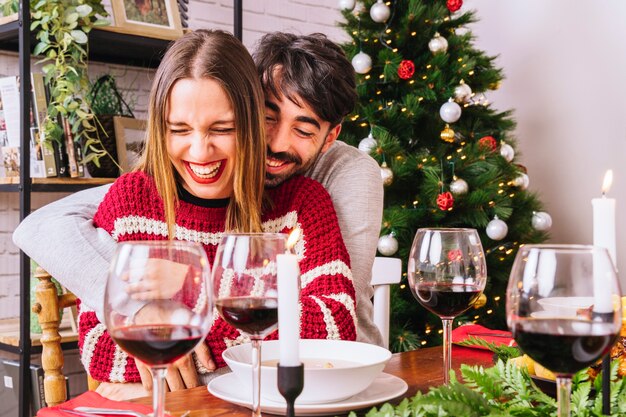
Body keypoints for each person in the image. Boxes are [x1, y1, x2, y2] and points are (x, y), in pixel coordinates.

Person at [13, 32, 383, 390]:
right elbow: (99, 349)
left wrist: (185, 305)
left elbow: (334, 324)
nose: (200, 151)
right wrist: (240, 347)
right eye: (269, 118)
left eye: (221, 129)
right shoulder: (133, 200)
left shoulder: (305, 200)